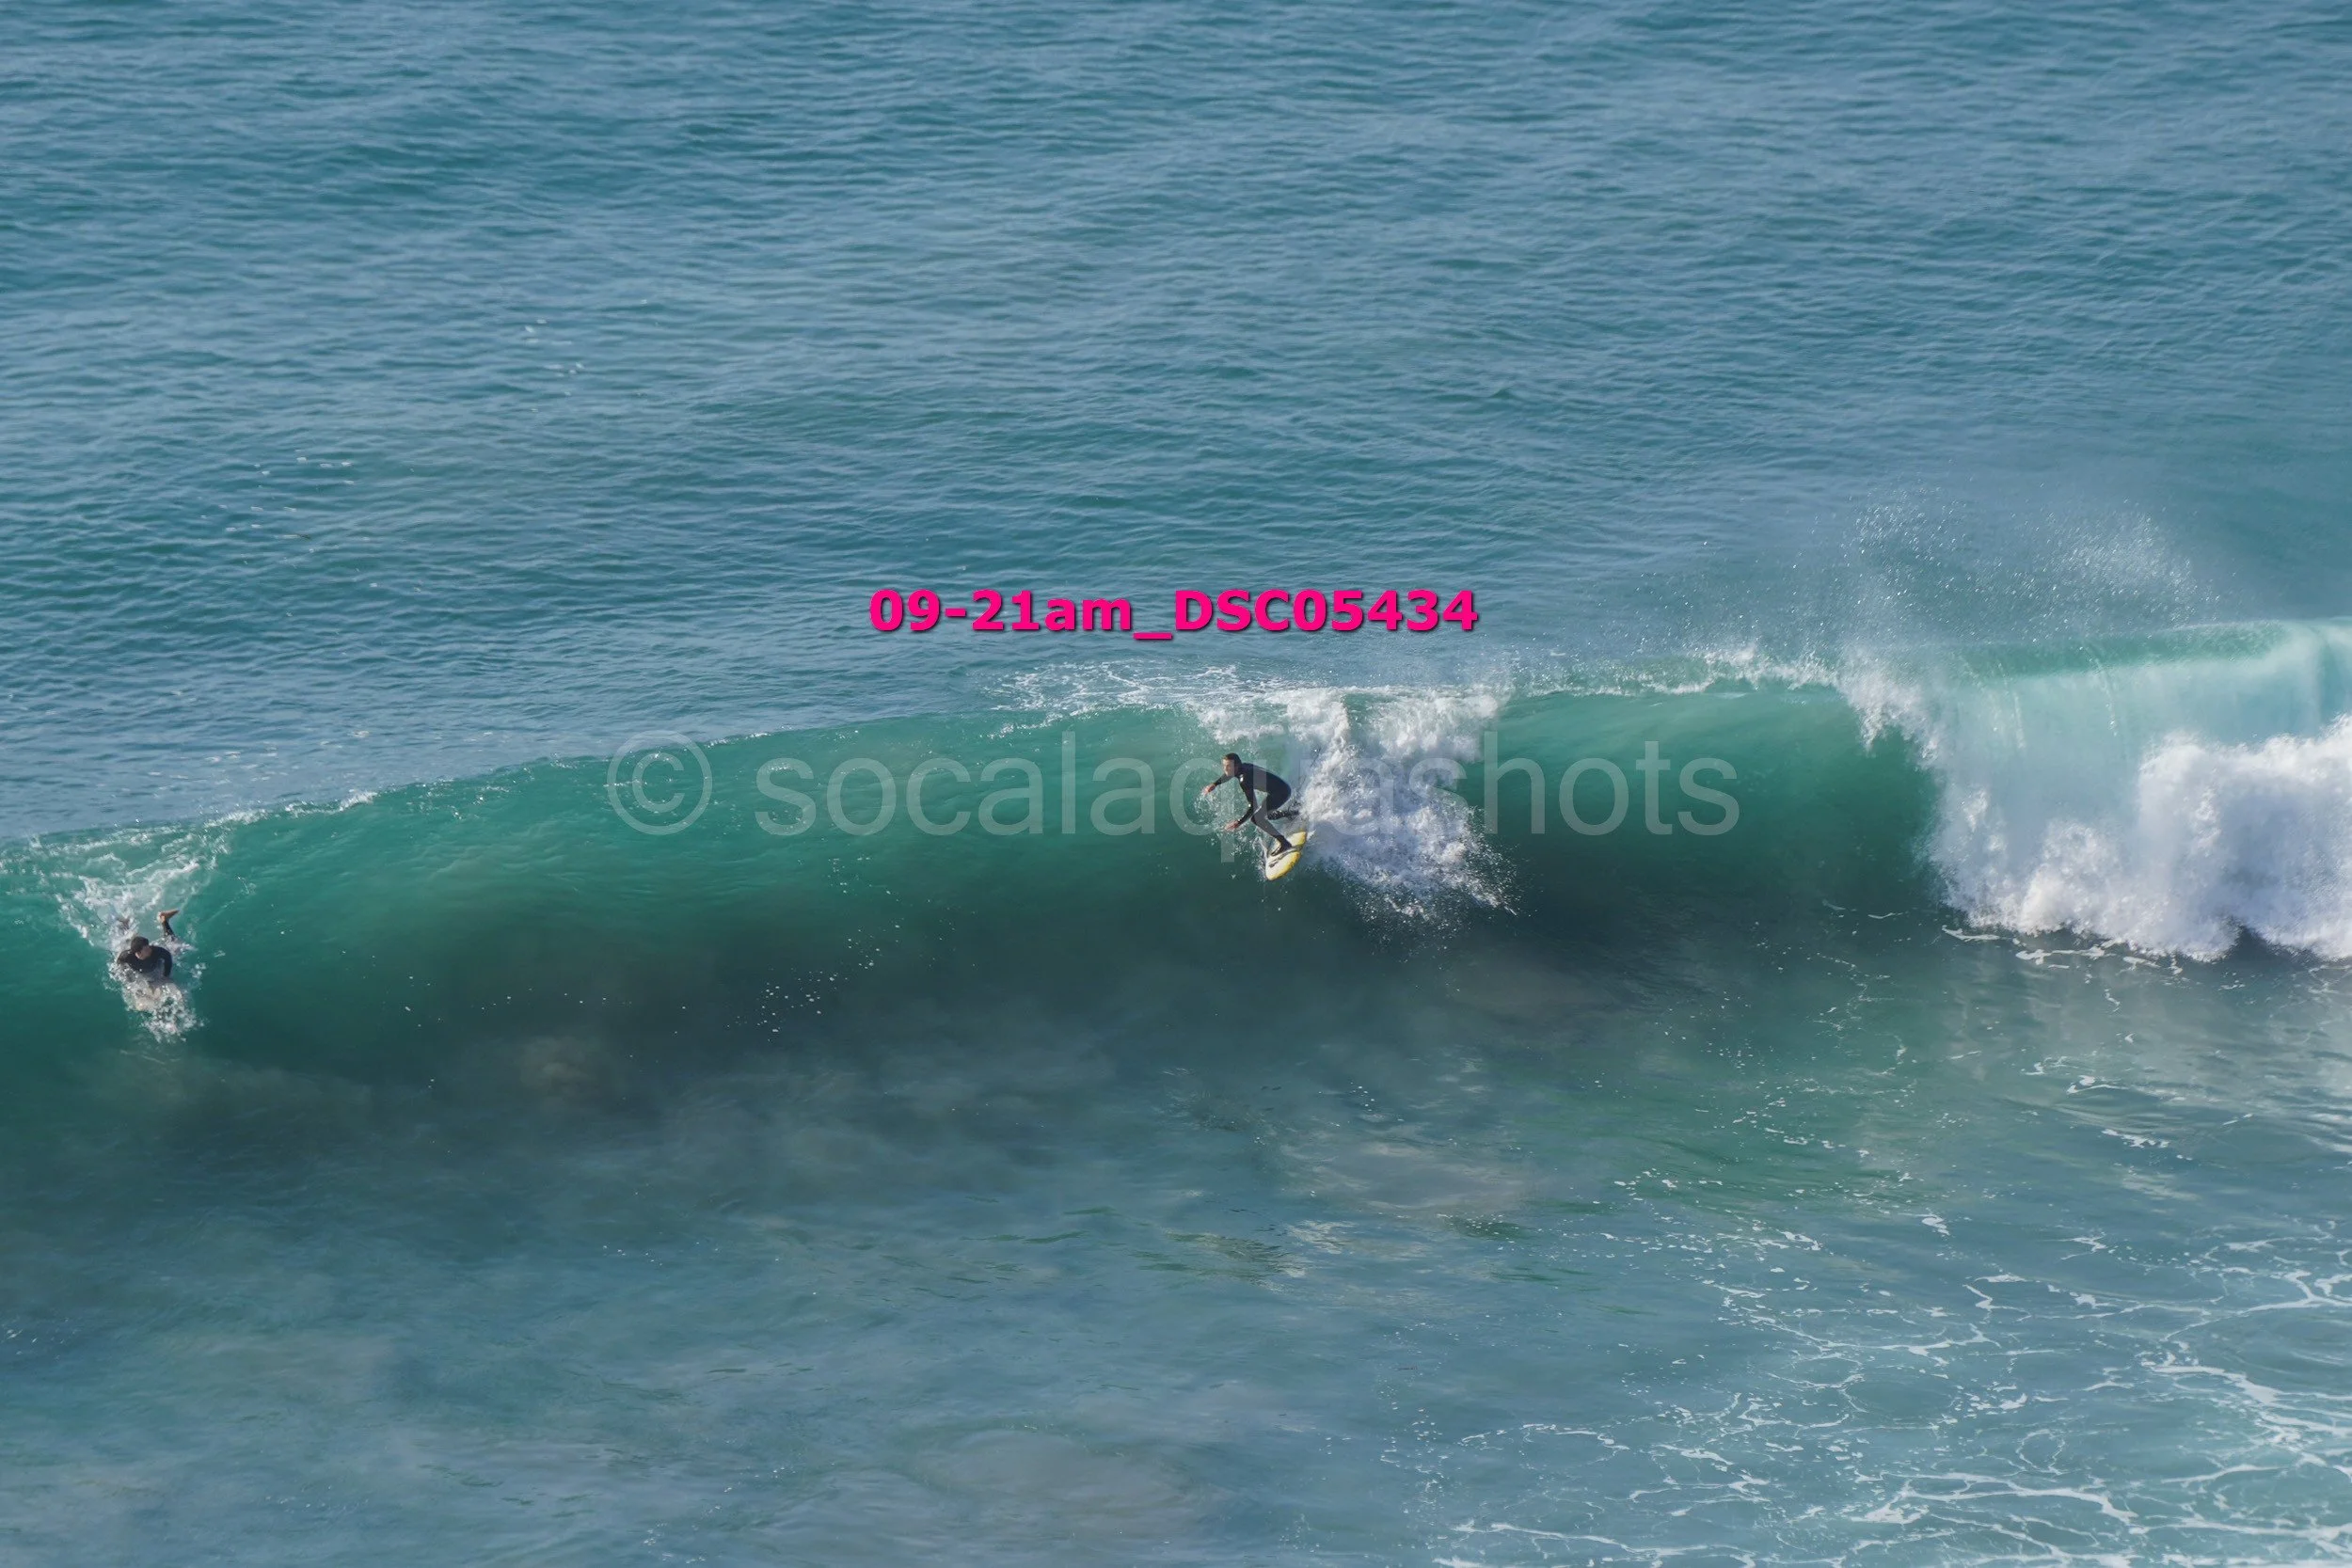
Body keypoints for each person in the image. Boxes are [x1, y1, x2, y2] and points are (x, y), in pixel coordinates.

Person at [1200, 754, 1298, 854]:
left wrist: (1239, 822)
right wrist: (1215, 784)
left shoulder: (1244, 779)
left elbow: (1253, 805)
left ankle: (1284, 843)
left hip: (1281, 793)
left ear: (1236, 766)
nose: (1225, 769)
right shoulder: (1244, 766)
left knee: (1256, 819)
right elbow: (1228, 774)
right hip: (1282, 788)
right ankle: (1292, 813)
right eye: (1224, 765)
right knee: (1267, 814)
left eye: (1228, 766)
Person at [117, 909, 180, 983]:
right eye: (146, 950)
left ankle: (164, 920)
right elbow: (120, 962)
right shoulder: (126, 956)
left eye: (148, 947)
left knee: (173, 944)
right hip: (139, 958)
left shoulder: (157, 951)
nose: (150, 950)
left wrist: (165, 976)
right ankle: (125, 924)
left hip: (156, 964)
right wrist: (128, 977)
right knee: (127, 939)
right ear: (138, 953)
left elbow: (168, 957)